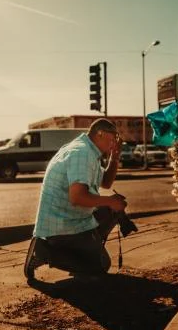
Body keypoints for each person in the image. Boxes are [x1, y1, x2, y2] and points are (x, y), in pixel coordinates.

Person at [23, 118, 136, 281]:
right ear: (100, 134)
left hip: (74, 218)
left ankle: (87, 249)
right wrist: (110, 201)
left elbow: (106, 182)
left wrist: (115, 156)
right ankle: (43, 252)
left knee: (115, 208)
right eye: (112, 140)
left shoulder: (90, 151)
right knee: (101, 266)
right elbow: (77, 197)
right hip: (62, 227)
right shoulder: (82, 153)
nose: (113, 144)